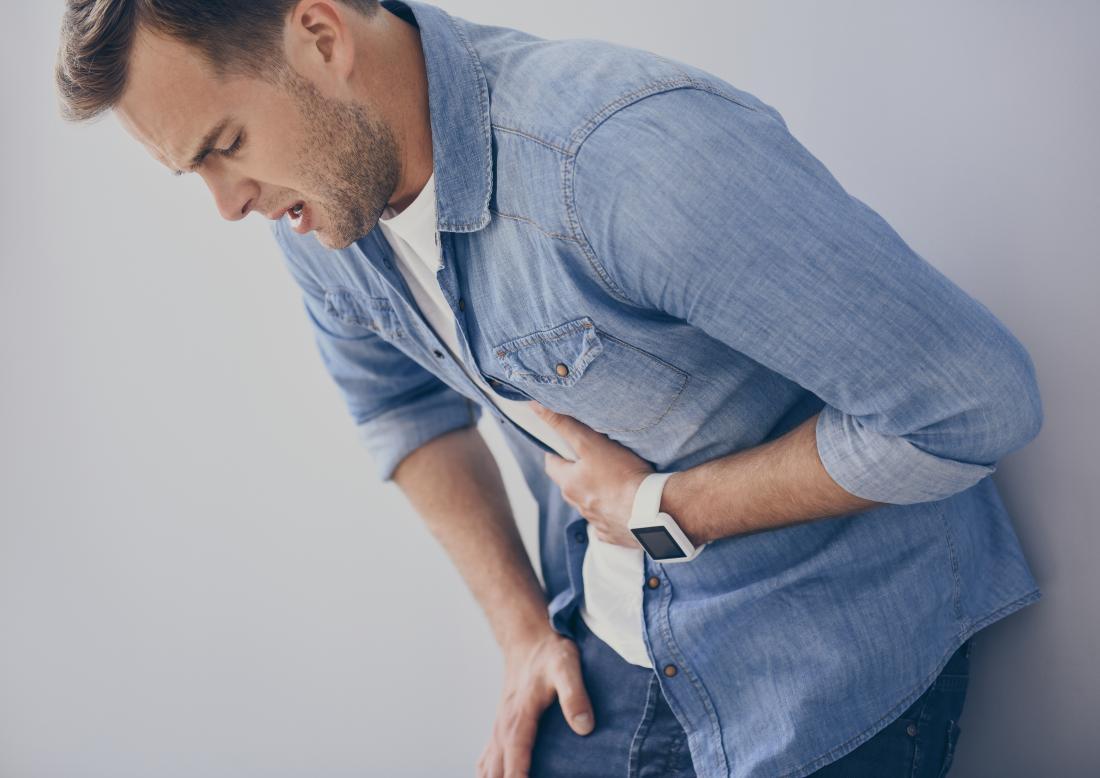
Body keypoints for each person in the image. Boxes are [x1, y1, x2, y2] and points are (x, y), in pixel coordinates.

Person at [55, 1, 1043, 776]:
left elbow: (966, 403)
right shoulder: (321, 213)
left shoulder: (622, 161)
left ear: (317, 35)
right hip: (601, 653)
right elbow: (401, 412)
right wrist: (521, 630)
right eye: (193, 171)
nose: (227, 206)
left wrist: (659, 509)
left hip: (819, 662)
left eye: (224, 144)